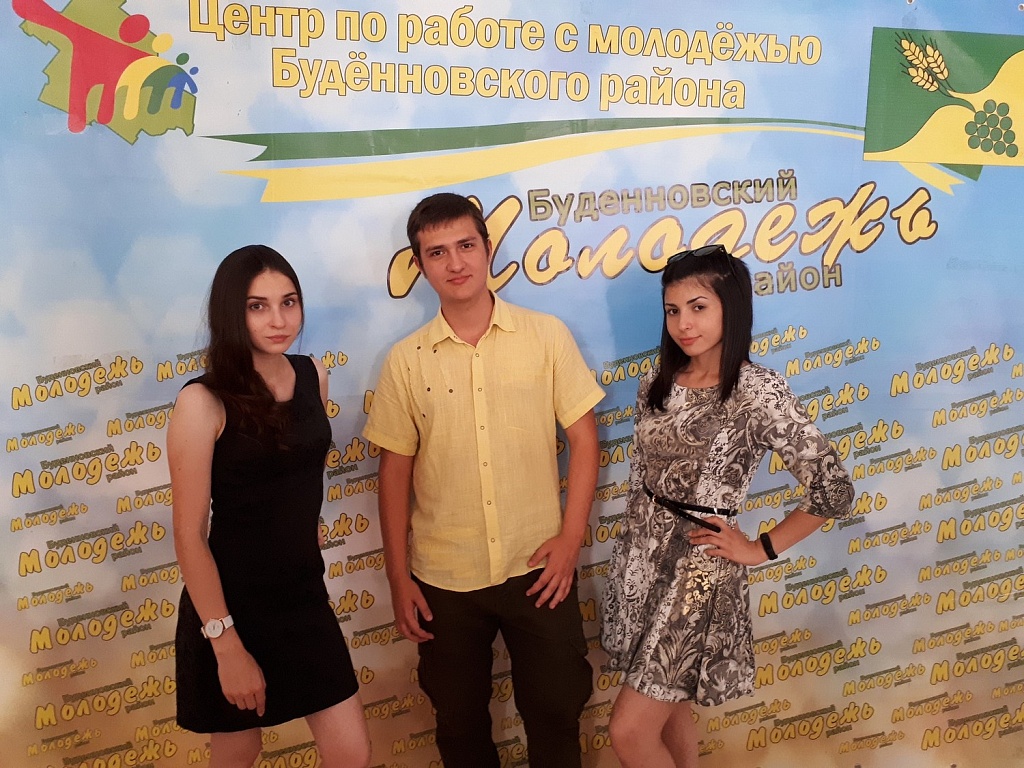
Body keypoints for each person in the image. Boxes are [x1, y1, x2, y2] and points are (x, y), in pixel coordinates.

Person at [363, 193, 604, 768]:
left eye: (466, 245)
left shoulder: (546, 336)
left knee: (556, 716)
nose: (455, 263)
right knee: (460, 727)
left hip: (539, 568)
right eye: (437, 252)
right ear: (419, 265)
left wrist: (571, 540)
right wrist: (398, 576)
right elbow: (394, 473)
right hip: (444, 579)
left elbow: (585, 440)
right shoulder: (405, 360)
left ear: (488, 249)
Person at [600, 245, 854, 768]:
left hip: (697, 575)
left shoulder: (756, 390)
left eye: (698, 307)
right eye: (673, 310)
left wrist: (760, 549)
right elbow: (641, 480)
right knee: (669, 710)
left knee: (628, 732)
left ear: (730, 308)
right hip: (642, 563)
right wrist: (631, 558)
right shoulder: (656, 383)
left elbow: (833, 489)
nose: (683, 324)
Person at [168, 245, 371, 768]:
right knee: (239, 750)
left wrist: (304, 529)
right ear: (230, 313)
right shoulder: (201, 402)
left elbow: (297, 475)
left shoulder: (313, 374)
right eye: (257, 306)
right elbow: (189, 534)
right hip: (230, 607)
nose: (279, 320)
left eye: (289, 302)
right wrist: (225, 644)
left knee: (350, 752)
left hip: (304, 598)